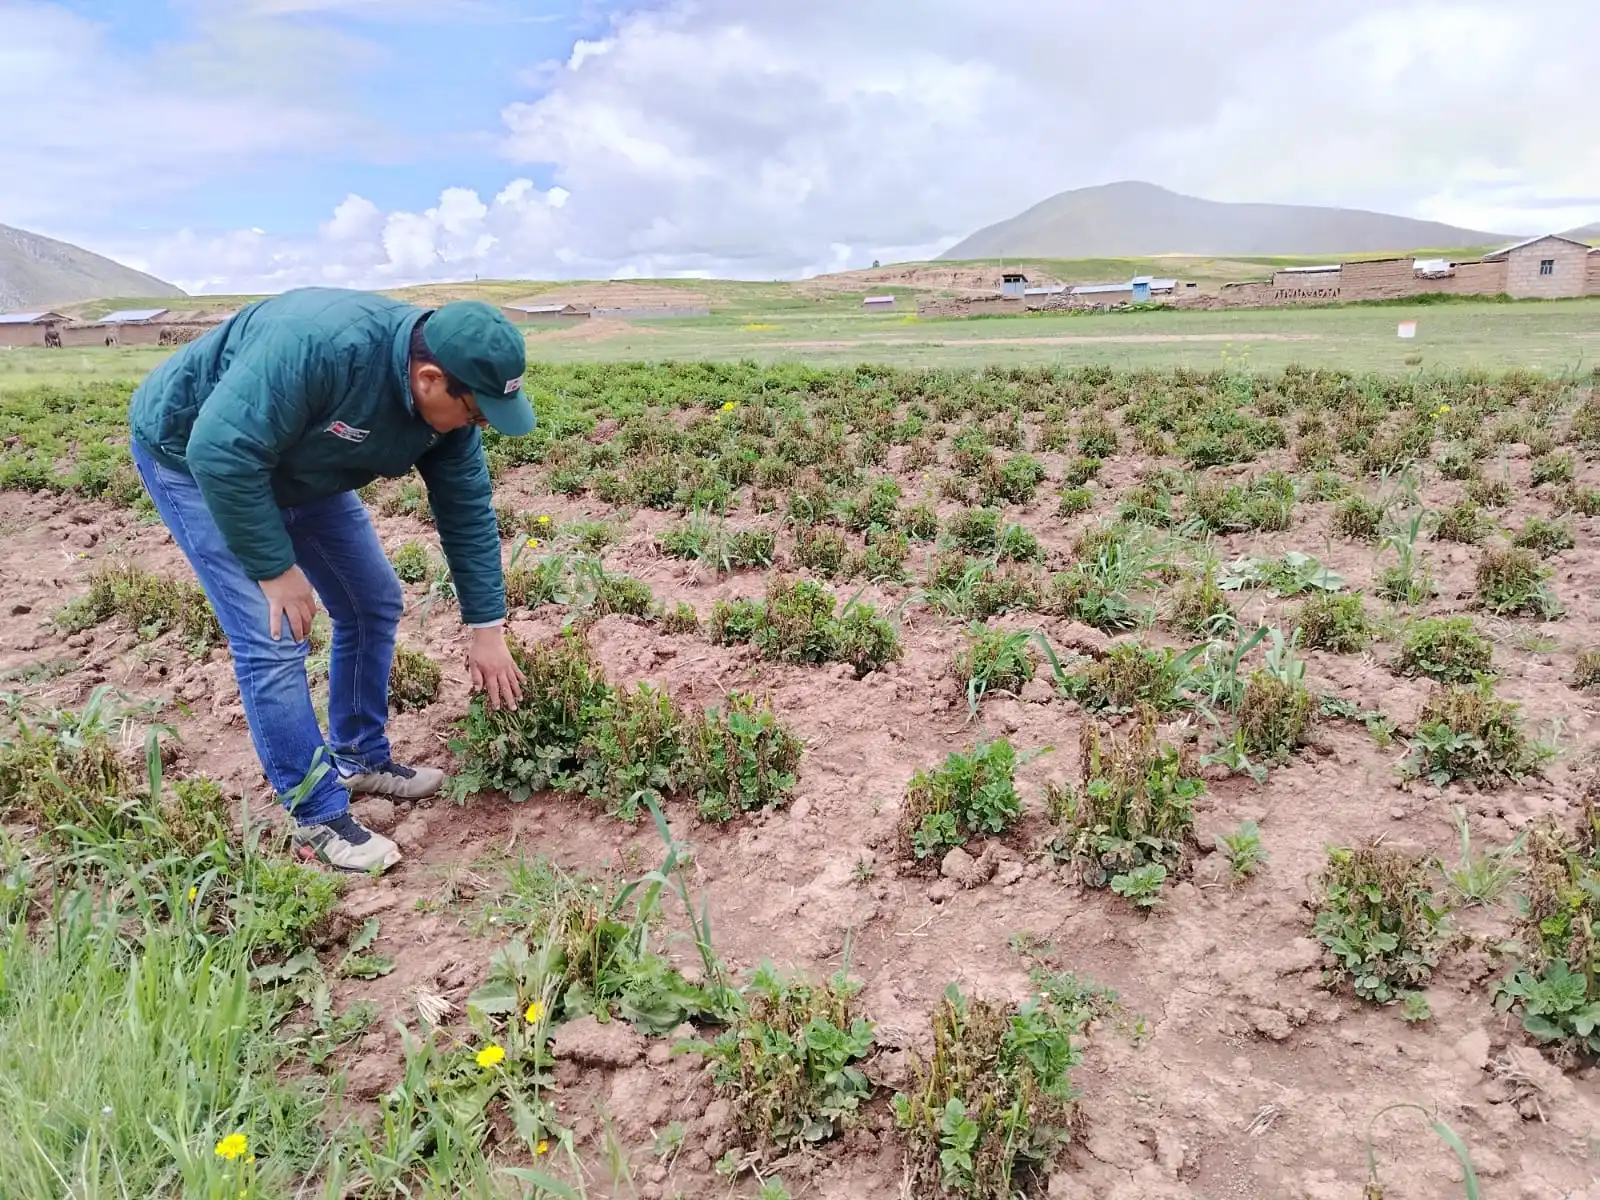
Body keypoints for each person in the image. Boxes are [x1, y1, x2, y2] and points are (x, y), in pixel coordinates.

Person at [128, 288, 533, 873]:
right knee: (273, 635)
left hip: (301, 465)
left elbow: (467, 510)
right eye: (474, 410)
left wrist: (487, 627)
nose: (477, 424)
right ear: (429, 379)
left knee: (371, 600)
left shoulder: (448, 421)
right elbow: (221, 451)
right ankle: (316, 814)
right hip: (195, 457)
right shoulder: (319, 346)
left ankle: (358, 755)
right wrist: (274, 568)